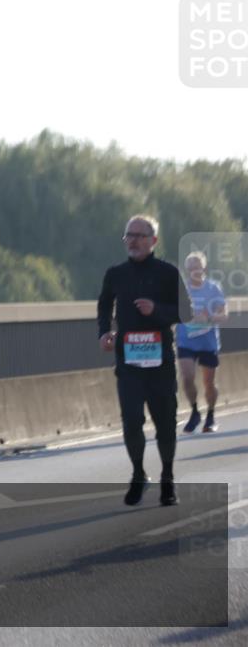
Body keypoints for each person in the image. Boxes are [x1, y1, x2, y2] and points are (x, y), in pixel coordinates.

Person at [97, 215, 190, 508]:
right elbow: (104, 304)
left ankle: (168, 478)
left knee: (165, 423)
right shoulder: (116, 274)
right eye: (129, 235)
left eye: (140, 235)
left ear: (154, 241)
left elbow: (185, 312)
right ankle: (138, 473)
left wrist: (157, 310)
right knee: (132, 421)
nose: (133, 240)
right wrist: (104, 332)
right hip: (128, 363)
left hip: (160, 361)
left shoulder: (167, 272)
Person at [177, 251, 228, 433]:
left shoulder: (213, 288)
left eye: (197, 267)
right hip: (186, 340)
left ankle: (211, 415)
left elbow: (224, 315)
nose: (194, 271)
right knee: (187, 376)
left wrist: (209, 317)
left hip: (208, 342)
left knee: (209, 383)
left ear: (203, 268)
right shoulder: (181, 290)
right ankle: (194, 412)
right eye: (190, 268)